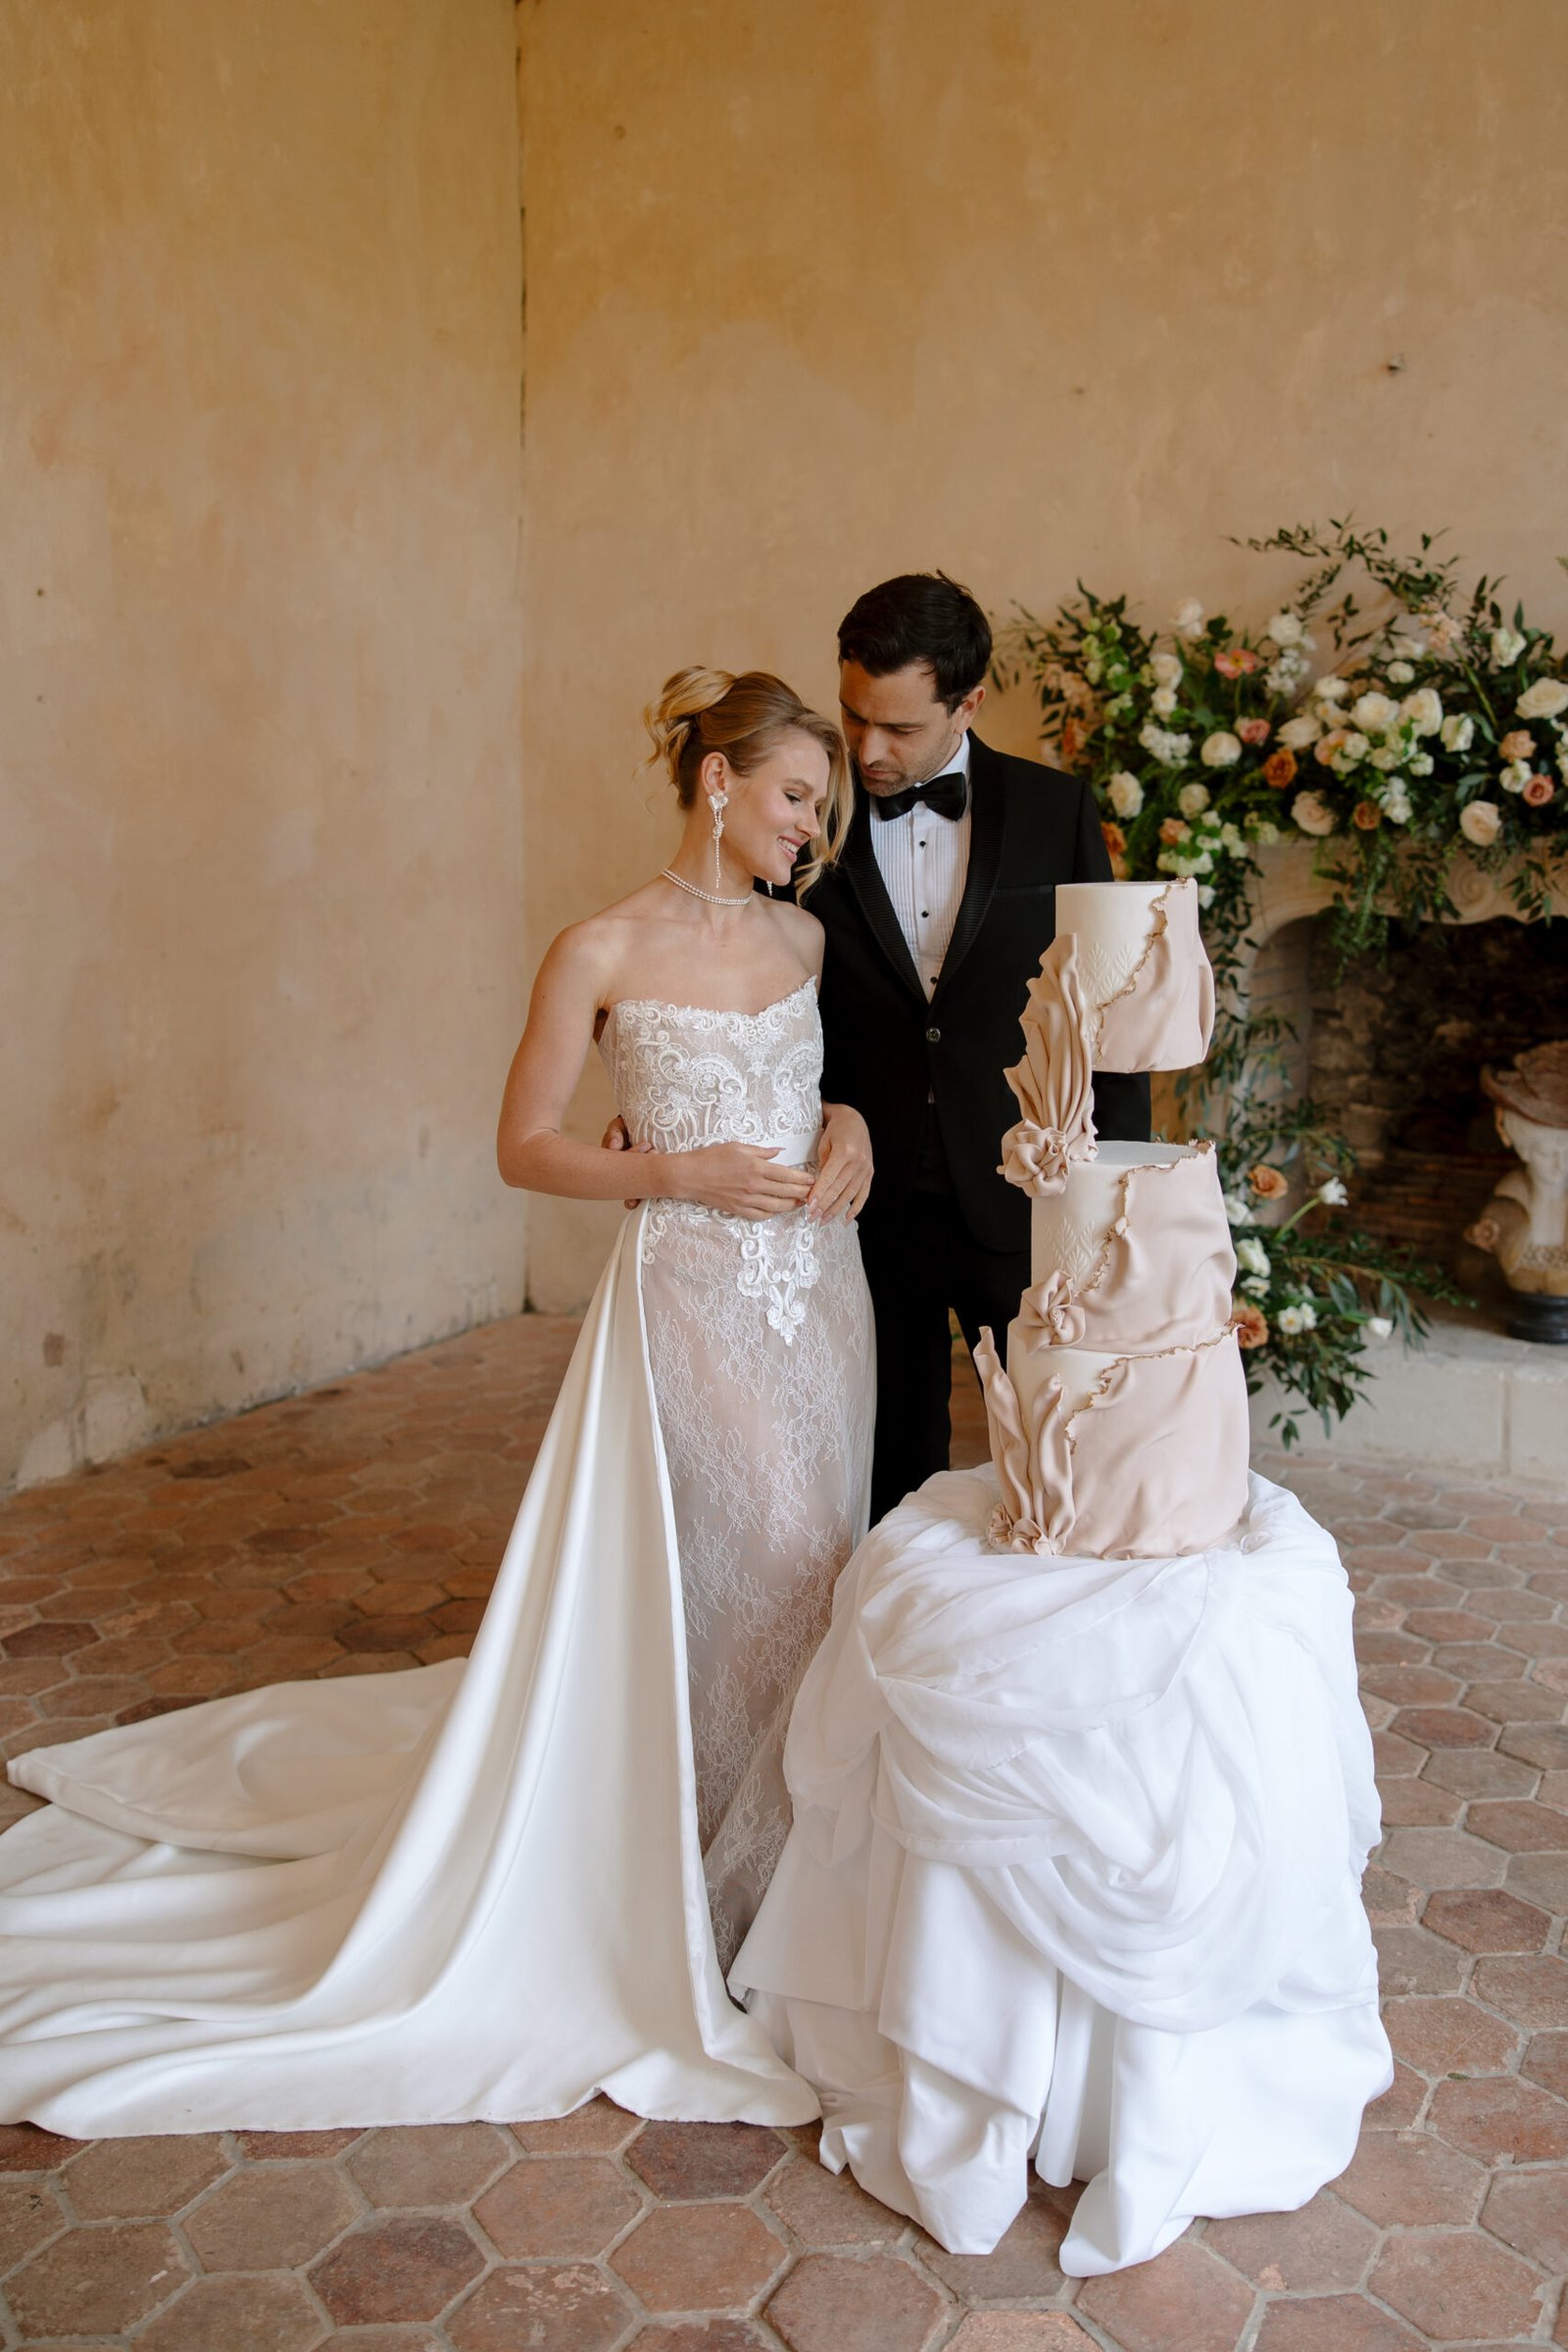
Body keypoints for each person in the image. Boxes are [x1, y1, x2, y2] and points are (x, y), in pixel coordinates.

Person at [0, 668, 874, 2135]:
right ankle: (695, 1893)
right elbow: (525, 1148)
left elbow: (813, 1094)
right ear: (717, 780)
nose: (811, 832)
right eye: (797, 798)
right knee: (760, 1557)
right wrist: (677, 1171)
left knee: (809, 1564)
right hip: (690, 1290)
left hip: (819, 1295)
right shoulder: (596, 947)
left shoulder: (801, 934)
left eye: (823, 811)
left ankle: (777, 1877)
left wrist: (838, 1120)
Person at [808, 572, 1151, 1519]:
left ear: (969, 703)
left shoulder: (1056, 812)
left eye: (901, 729)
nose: (868, 751)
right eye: (853, 717)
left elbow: (1107, 1014)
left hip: (1023, 1194)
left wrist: (1118, 1200)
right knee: (886, 1464)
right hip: (859, 1202)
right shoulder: (804, 812)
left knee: (1051, 1460)